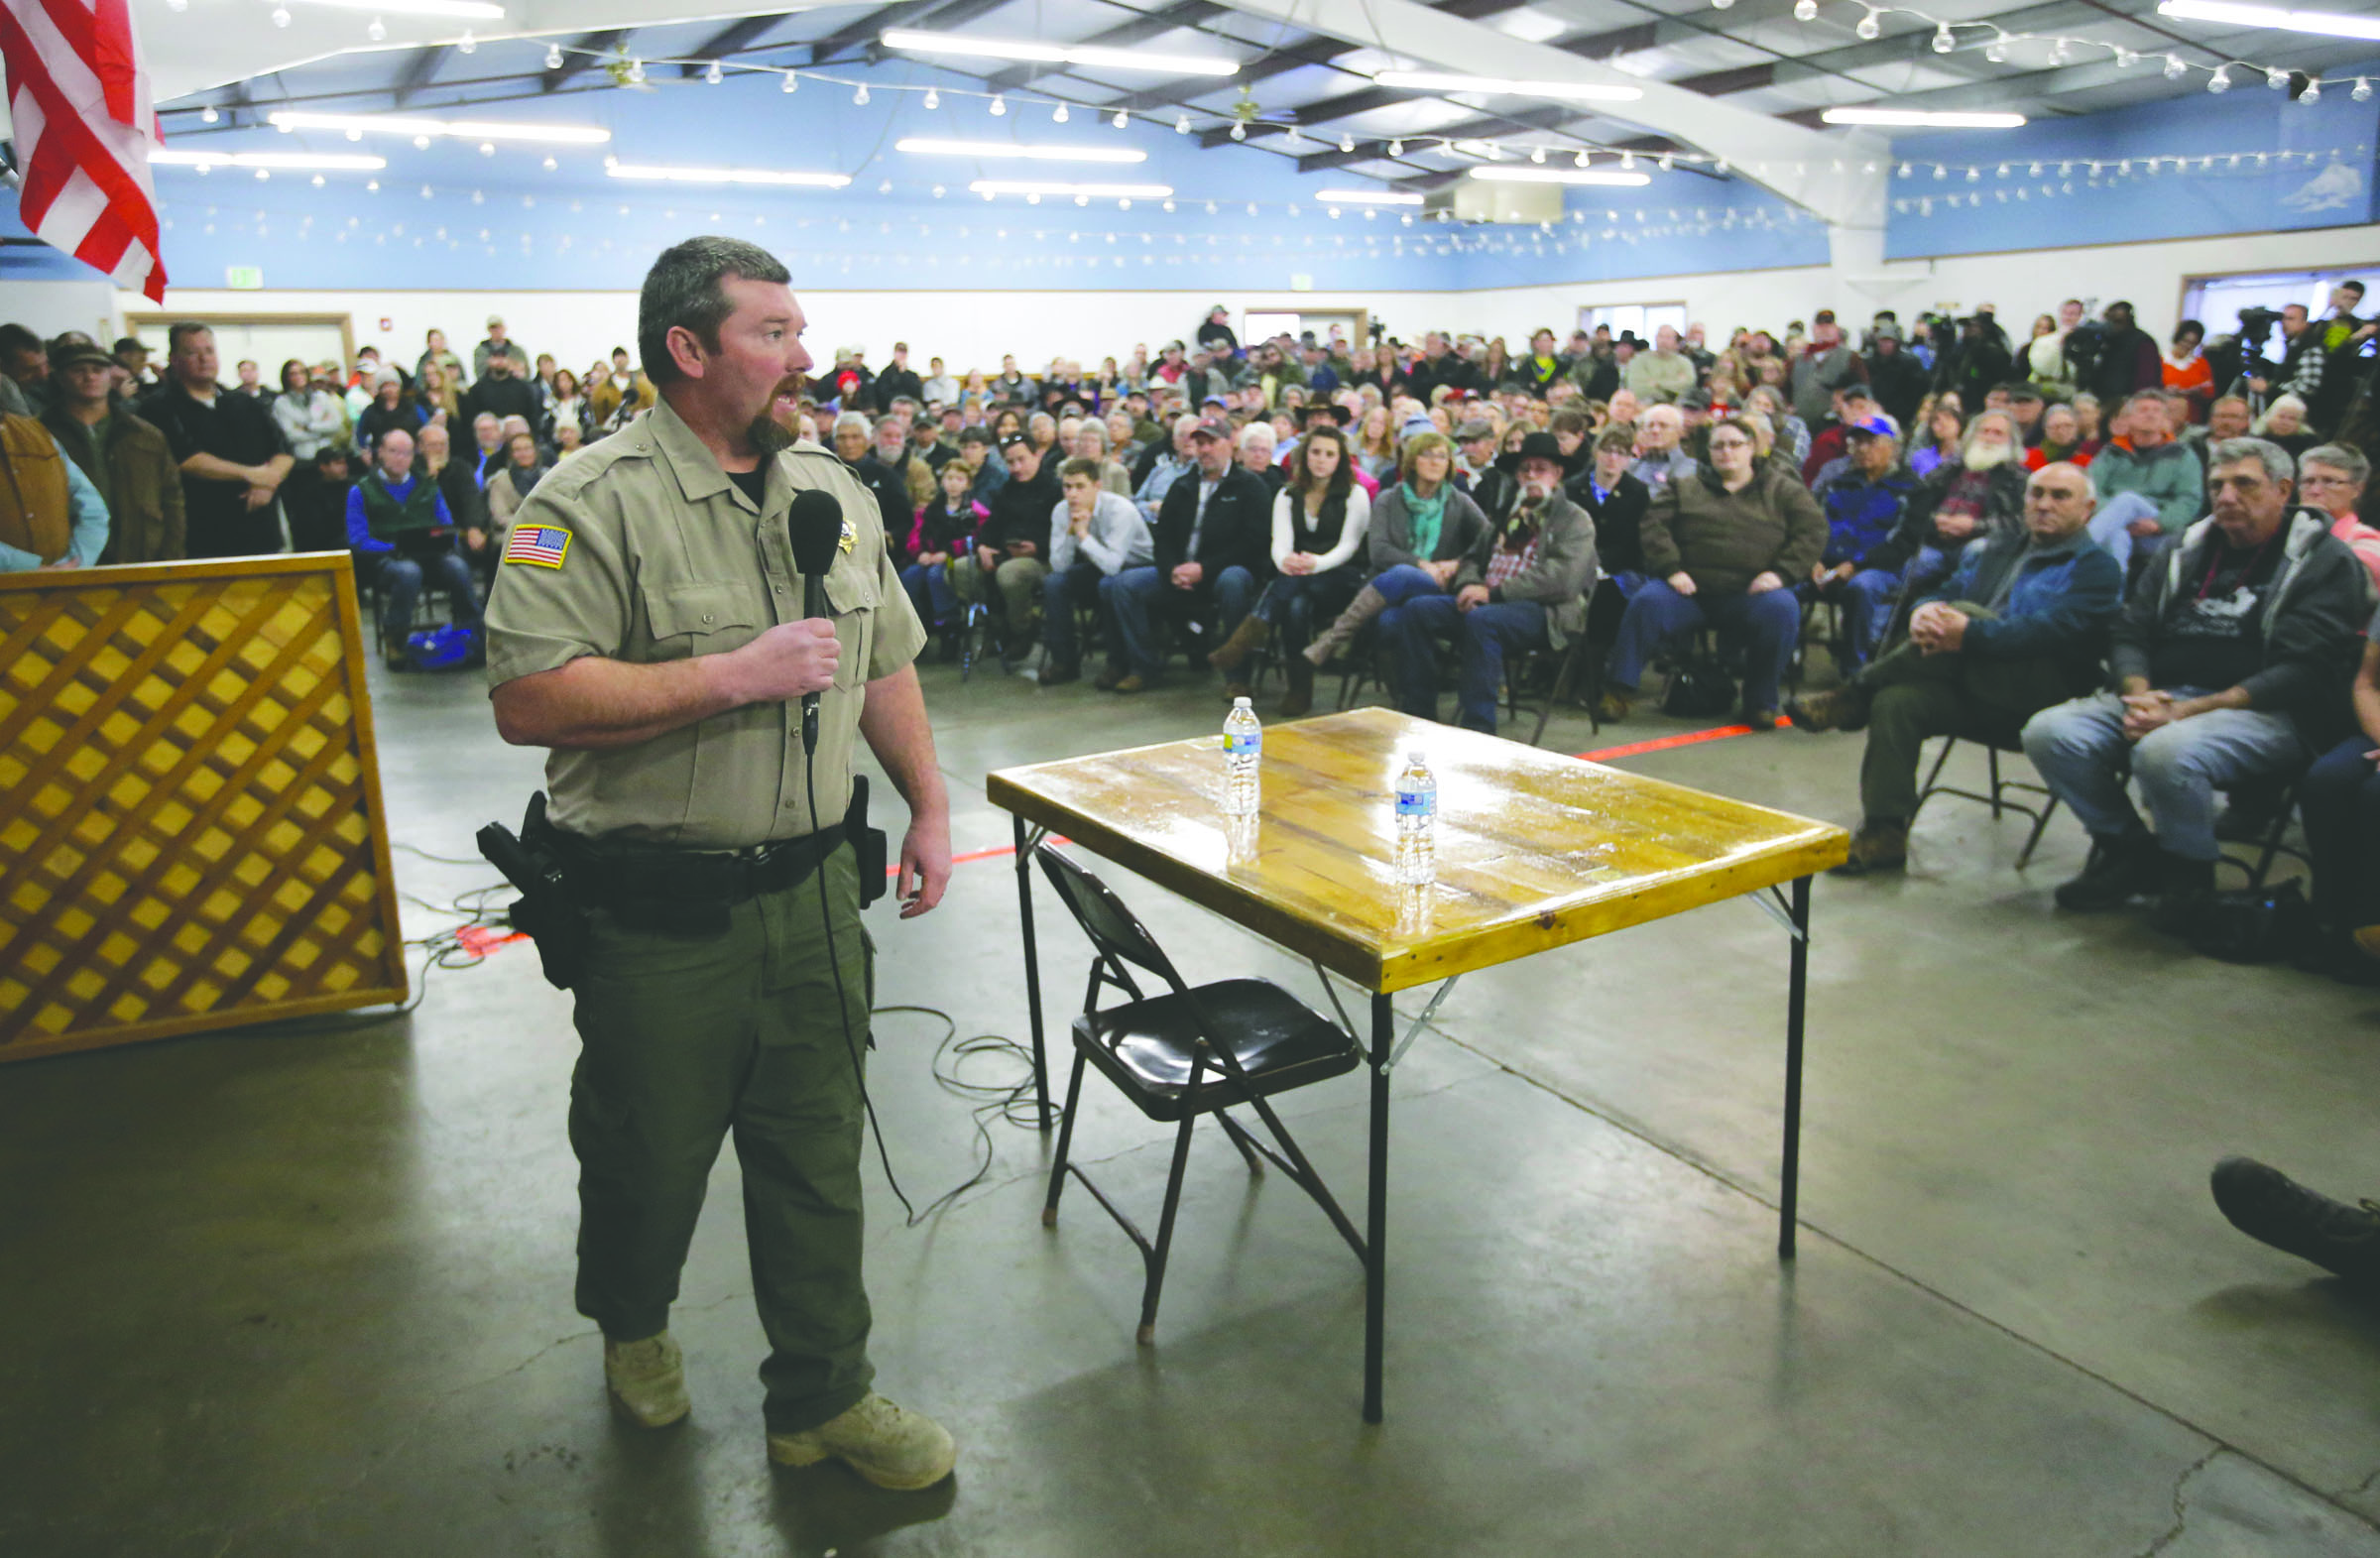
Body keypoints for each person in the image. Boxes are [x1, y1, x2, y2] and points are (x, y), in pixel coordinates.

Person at [482, 235, 956, 1491]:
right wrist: (731, 676)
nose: (807, 354)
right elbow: (529, 697)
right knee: (646, 1156)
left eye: (799, 328)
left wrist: (928, 803)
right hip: (657, 921)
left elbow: (886, 658)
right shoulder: (585, 499)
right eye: (774, 332)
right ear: (689, 351)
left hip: (812, 896)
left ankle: (823, 1395)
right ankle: (633, 1324)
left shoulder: (831, 490)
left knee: (816, 1161)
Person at [2023, 438, 2369, 926]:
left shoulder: (2325, 561)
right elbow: (2130, 629)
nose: (2226, 496)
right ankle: (2129, 851)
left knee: (2163, 750)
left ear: (2283, 489)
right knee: (2050, 732)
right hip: (2163, 698)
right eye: (2216, 485)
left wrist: (2188, 711)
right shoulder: (2185, 547)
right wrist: (2139, 692)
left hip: (2266, 711)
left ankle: (2190, 876)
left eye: (2243, 484)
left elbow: (2307, 669)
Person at [1788, 462, 2123, 875]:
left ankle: (1856, 692)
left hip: (2045, 694)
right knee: (1898, 701)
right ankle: (1884, 833)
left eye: (2060, 496)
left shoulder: (2097, 567)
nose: (2044, 504)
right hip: (1972, 678)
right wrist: (1924, 611)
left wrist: (1969, 632)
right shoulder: (1999, 548)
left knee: (1961, 615)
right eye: (2036, 494)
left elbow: (2049, 633)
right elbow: (1945, 591)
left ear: (2088, 508)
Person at [1598, 415, 1827, 729]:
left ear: (1752, 449)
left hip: (1751, 594)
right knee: (1647, 602)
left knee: (1783, 609)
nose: (1726, 451)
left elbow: (1813, 531)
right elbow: (1653, 527)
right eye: (1718, 445)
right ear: (1708, 451)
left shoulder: (1782, 489)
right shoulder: (1684, 486)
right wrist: (1671, 568)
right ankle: (1618, 691)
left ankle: (1761, 701)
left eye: (1735, 444)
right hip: (1687, 591)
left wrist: (1781, 574)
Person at [1381, 431, 1596, 736]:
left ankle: (1478, 728)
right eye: (1525, 469)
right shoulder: (1507, 514)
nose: (1531, 476)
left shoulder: (1574, 519)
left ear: (1558, 474)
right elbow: (1471, 559)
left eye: (1541, 468)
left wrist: (1493, 593)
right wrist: (1469, 585)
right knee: (1417, 610)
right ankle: (1419, 710)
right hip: (1489, 601)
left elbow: (1562, 581)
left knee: (1483, 622)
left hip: (1545, 612)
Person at [1206, 422, 1371, 716]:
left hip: (1342, 574)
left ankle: (1253, 628)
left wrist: (1315, 563)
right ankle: (1299, 688)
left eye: (1329, 454)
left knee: (1295, 590)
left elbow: (1349, 546)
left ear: (1340, 459)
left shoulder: (1355, 495)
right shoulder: (1287, 494)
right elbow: (1279, 545)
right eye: (1316, 452)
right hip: (1296, 576)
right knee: (1295, 606)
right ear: (1305, 456)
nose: (1321, 459)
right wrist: (1287, 562)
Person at [1100, 416, 1271, 695]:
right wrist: (1172, 570)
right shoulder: (1182, 485)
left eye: (1211, 442)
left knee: (1234, 581)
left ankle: (1237, 677)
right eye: (1199, 443)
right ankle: (1143, 667)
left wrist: (1204, 569)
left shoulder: (1250, 487)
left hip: (1224, 573)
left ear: (1230, 443)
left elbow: (1253, 544)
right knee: (1123, 584)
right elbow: (1163, 536)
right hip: (1179, 572)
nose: (1204, 450)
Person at [1300, 431, 1491, 669]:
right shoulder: (1388, 499)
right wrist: (1421, 565)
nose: (1435, 461)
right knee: (1390, 621)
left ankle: (1334, 639)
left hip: (1439, 587)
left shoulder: (1459, 501)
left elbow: (1490, 542)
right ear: (1412, 461)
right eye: (1427, 454)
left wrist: (1457, 563)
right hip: (1388, 592)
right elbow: (1378, 552)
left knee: (1403, 573)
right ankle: (1408, 698)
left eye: (1442, 456)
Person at [140, 323, 293, 558]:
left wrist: (268, 482)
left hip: (262, 531)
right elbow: (186, 459)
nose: (204, 359)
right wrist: (252, 474)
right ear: (174, 359)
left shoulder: (244, 402)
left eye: (209, 351)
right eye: (192, 353)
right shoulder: (158, 408)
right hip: (204, 535)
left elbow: (283, 450)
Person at [344, 426, 481, 665]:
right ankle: (395, 639)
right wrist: (391, 548)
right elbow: (358, 540)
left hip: (432, 554)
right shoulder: (361, 490)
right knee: (408, 572)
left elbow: (447, 525)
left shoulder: (427, 485)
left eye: (406, 453)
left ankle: (474, 633)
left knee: (457, 566)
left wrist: (442, 540)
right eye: (394, 451)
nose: (400, 458)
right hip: (388, 558)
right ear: (381, 454)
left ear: (414, 455)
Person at [42, 340, 183, 564]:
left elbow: (172, 498)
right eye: (78, 370)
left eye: (98, 370)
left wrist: (171, 558)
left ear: (110, 376)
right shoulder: (39, 435)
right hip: (68, 560)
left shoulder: (145, 434)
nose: (90, 377)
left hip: (141, 556)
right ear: (60, 377)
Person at [1807, 421, 1916, 672]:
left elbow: (1903, 543)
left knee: (1862, 588)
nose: (1863, 449)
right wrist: (1814, 558)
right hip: (1829, 562)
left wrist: (1857, 564)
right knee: (1786, 581)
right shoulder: (1840, 482)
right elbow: (1816, 525)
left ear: (1893, 448)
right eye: (1858, 443)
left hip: (1880, 567)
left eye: (1872, 442)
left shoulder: (1911, 488)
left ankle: (1853, 671)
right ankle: (1786, 661)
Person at [1038, 455, 1153, 687]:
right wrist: (1073, 533)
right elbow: (1060, 565)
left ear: (1097, 486)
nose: (1072, 494)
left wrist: (1083, 535)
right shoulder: (1062, 510)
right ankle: (1064, 662)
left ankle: (1117, 664)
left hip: (1139, 567)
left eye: (1080, 487)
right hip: (1101, 564)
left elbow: (1112, 565)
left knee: (1109, 584)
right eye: (1067, 487)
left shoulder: (1119, 509)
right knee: (1054, 583)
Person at [2089, 391, 2205, 575]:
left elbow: (2189, 500)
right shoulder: (2111, 453)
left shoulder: (2182, 455)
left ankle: (2076, 554)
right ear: (2129, 418)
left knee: (2127, 500)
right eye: (2143, 410)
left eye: (2157, 411)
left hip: (2159, 533)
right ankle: (2112, 599)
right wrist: (2118, 516)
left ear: (2165, 420)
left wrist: (2159, 523)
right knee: (2116, 536)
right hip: (2117, 526)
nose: (2150, 414)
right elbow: (2091, 492)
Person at [0, 410, 109, 570]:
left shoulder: (36, 433)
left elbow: (93, 511)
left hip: (60, 586)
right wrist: (25, 567)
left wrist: (75, 562)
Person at [902, 459, 984, 653]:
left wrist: (947, 552)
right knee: (909, 576)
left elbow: (974, 538)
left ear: (968, 483)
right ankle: (916, 626)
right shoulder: (932, 509)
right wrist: (920, 552)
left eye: (959, 479)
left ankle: (949, 627)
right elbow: (916, 534)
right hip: (929, 556)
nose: (953, 483)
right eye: (949, 478)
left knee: (937, 576)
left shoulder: (975, 510)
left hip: (953, 559)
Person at [2295, 443, 2380, 592]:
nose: (2315, 490)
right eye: (2308, 481)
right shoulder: (2284, 532)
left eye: (2329, 481)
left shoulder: (2368, 541)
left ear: (2357, 489)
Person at [1790, 310, 1864, 428]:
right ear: (1813, 329)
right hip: (1801, 423)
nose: (1824, 329)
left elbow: (1862, 389)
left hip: (1834, 424)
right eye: (1820, 326)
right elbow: (1786, 387)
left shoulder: (1851, 357)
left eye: (1829, 325)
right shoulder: (1797, 359)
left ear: (1836, 329)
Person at [1864, 323, 1929, 433]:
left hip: (1902, 418)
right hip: (1873, 413)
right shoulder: (1869, 363)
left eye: (1889, 341)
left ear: (1896, 343)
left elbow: (1917, 392)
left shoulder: (1910, 363)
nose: (1885, 344)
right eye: (1882, 340)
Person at [483, 429, 550, 534]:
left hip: (546, 530)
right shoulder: (500, 480)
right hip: (511, 534)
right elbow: (500, 516)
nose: (523, 454)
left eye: (527, 449)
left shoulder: (549, 477)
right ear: (512, 454)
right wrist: (530, 527)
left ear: (535, 451)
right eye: (517, 450)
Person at [2164, 320, 2213, 423]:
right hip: (2165, 415)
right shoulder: (2160, 361)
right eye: (2184, 341)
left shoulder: (2200, 363)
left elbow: (2210, 392)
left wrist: (2197, 392)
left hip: (2192, 419)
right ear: (2177, 338)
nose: (2187, 346)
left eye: (2192, 343)